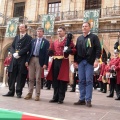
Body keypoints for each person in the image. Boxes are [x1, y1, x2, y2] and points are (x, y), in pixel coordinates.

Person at [74, 22, 101, 107]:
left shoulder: (94, 37)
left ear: (90, 27)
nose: (84, 28)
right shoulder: (79, 38)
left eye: (86, 26)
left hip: (90, 62)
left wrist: (96, 60)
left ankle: (88, 100)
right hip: (81, 62)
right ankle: (82, 99)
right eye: (83, 26)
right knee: (81, 80)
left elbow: (98, 49)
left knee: (89, 81)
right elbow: (76, 50)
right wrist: (75, 61)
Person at [47, 27, 76, 104]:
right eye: (58, 31)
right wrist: (49, 52)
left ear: (64, 32)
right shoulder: (55, 42)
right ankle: (55, 97)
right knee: (55, 79)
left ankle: (61, 98)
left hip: (63, 61)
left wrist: (70, 50)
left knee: (62, 80)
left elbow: (74, 50)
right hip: (55, 61)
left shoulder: (68, 41)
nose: (59, 33)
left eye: (60, 31)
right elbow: (51, 50)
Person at [3, 24, 32, 98]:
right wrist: (13, 53)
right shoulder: (16, 37)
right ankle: (11, 91)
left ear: (25, 28)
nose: (20, 28)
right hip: (14, 58)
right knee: (12, 74)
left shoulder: (29, 38)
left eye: (22, 27)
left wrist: (19, 53)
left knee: (21, 75)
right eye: (19, 27)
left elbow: (27, 48)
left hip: (22, 58)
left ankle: (19, 92)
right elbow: (12, 46)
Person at [24, 27, 49, 101]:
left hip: (39, 60)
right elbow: (29, 51)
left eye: (40, 31)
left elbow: (46, 54)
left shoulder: (46, 42)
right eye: (38, 31)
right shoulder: (33, 41)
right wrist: (27, 61)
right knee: (30, 78)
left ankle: (37, 94)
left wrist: (45, 63)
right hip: (32, 59)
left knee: (38, 78)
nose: (39, 33)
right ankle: (29, 93)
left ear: (43, 33)